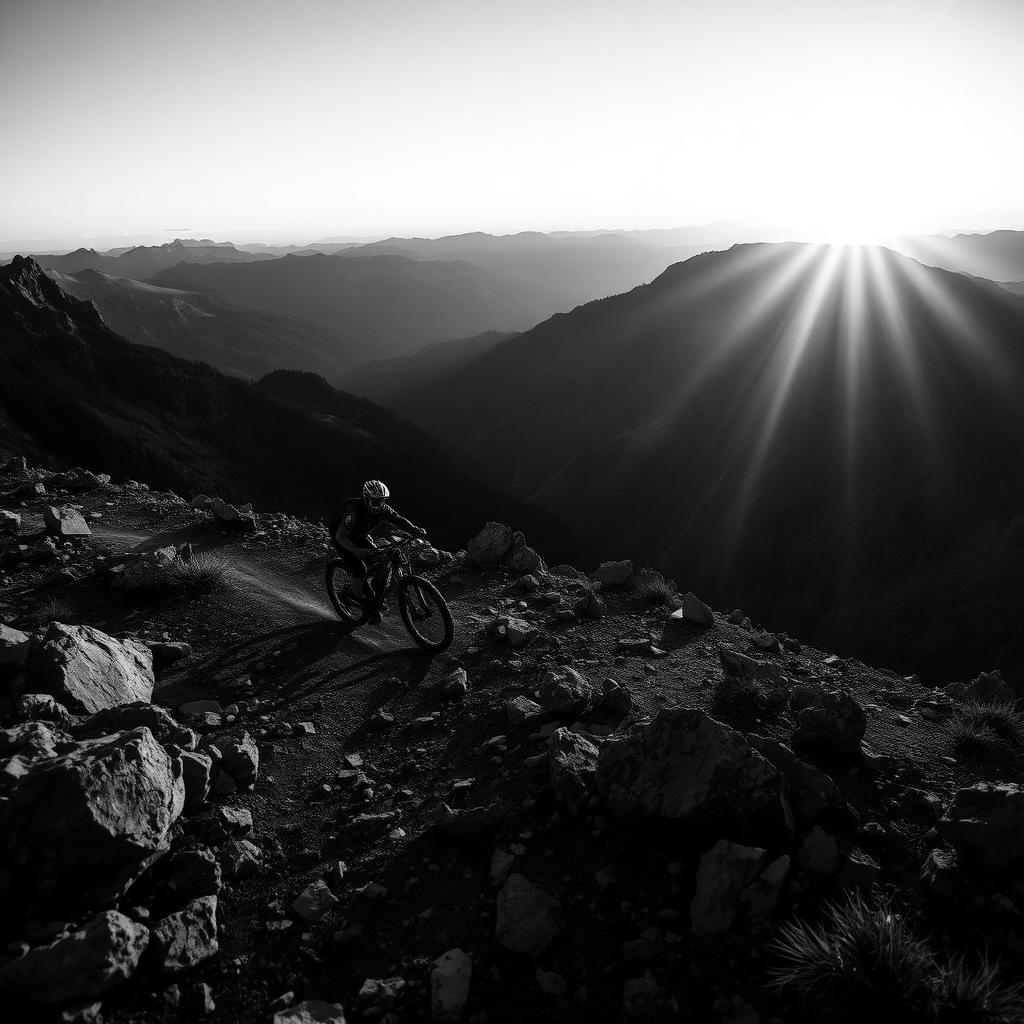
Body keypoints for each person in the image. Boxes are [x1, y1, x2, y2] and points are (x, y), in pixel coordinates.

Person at [329, 479, 426, 623]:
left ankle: (374, 597)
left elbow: (398, 519)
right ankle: (357, 597)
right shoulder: (353, 512)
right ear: (366, 499)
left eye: (382, 501)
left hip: (360, 535)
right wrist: (356, 551)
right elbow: (340, 536)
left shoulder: (383, 508)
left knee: (381, 561)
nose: (379, 506)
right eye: (375, 502)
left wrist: (414, 529)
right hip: (343, 538)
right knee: (359, 569)